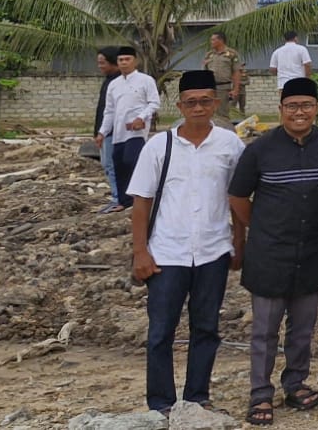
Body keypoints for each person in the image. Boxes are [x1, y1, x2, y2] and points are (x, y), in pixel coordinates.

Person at [128, 70, 245, 414]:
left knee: (206, 327)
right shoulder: (158, 146)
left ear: (216, 102)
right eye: (191, 102)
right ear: (179, 105)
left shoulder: (230, 144)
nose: (198, 107)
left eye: (205, 101)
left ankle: (197, 397)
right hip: (166, 254)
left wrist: (240, 240)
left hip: (213, 251)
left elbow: (238, 197)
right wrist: (140, 251)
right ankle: (161, 403)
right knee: (160, 332)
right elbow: (141, 201)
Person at [229, 77, 318, 426]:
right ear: (280, 110)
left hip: (313, 250)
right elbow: (237, 198)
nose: (299, 112)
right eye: (292, 106)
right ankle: (260, 393)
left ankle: (295, 383)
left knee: (303, 327)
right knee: (264, 329)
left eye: (306, 106)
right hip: (269, 253)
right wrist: (264, 227)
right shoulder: (259, 150)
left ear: (316, 109)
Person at [100, 45, 159, 210]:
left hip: (137, 132)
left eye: (127, 59)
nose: (124, 63)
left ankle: (142, 197)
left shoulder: (146, 80)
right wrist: (102, 132)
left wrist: (141, 117)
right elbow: (109, 110)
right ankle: (124, 202)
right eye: (121, 60)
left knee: (132, 160)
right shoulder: (114, 84)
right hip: (118, 133)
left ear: (136, 61)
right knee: (119, 164)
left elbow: (154, 103)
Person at [93, 45, 123, 212]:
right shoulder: (108, 81)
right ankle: (116, 196)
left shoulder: (118, 83)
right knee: (107, 165)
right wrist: (98, 131)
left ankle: (118, 198)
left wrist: (104, 131)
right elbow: (102, 110)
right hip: (105, 131)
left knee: (111, 165)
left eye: (102, 63)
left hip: (113, 132)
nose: (100, 66)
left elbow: (113, 111)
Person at [203, 31, 242, 122]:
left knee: (222, 114)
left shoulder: (231, 54)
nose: (211, 42)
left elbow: (236, 72)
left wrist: (235, 89)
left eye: (213, 40)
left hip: (223, 88)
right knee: (209, 113)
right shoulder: (209, 55)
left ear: (220, 40)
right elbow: (204, 71)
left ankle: (224, 133)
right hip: (210, 88)